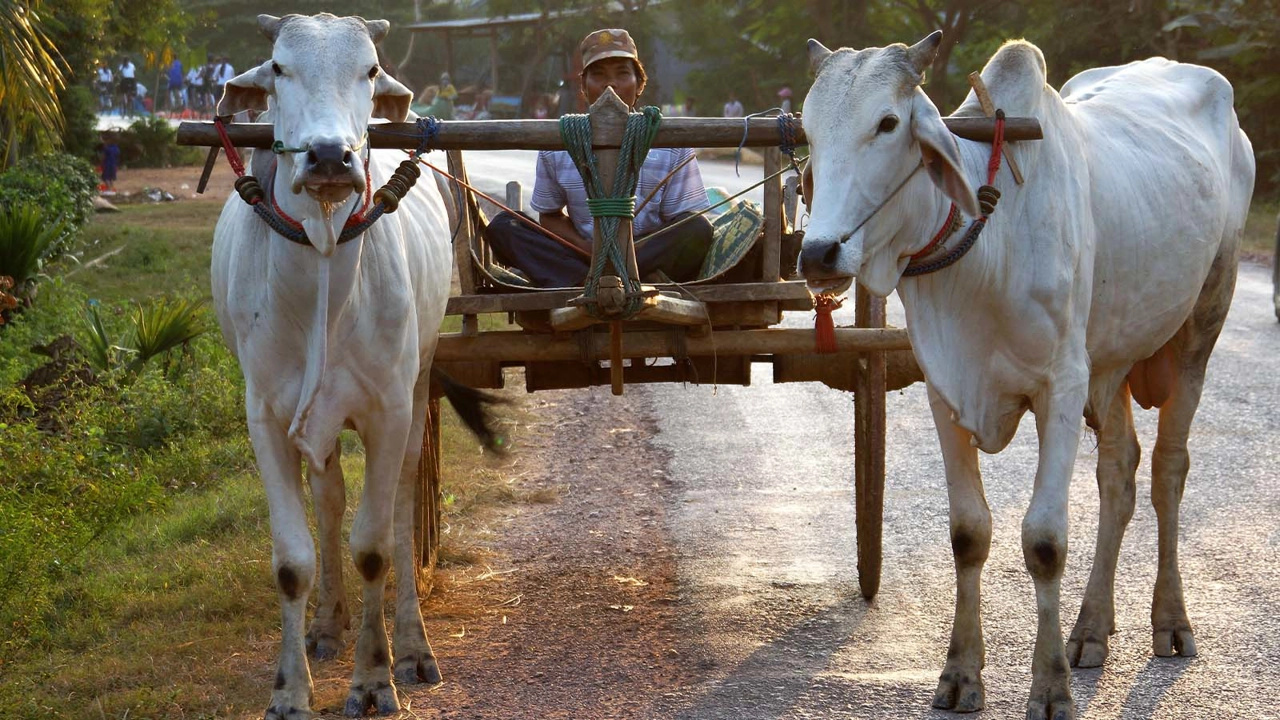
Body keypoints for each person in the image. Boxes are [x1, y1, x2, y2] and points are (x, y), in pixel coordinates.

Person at [484, 28, 713, 288]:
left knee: (697, 227)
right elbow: (550, 217)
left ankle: (595, 279)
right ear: (584, 86)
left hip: (645, 253)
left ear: (640, 83)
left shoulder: (669, 141)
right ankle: (592, 280)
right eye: (599, 75)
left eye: (622, 74)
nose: (610, 84)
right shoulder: (558, 142)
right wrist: (589, 249)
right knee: (505, 226)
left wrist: (625, 255)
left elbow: (682, 219)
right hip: (583, 255)